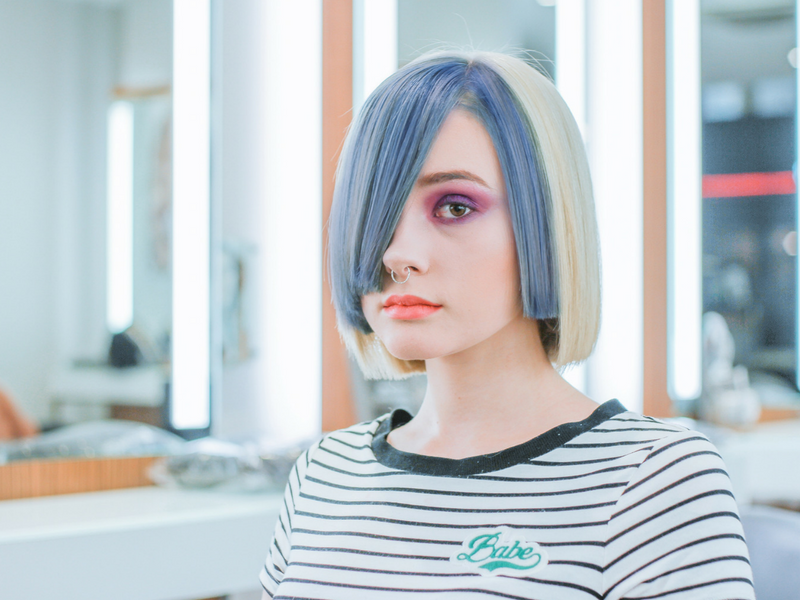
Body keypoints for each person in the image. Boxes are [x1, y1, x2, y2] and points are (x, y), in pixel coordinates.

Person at [260, 50, 754, 599]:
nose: (397, 254)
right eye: (374, 212)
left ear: (546, 221)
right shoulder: (322, 476)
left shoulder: (654, 483)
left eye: (453, 207)